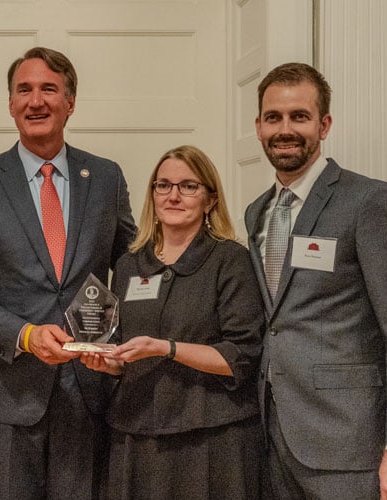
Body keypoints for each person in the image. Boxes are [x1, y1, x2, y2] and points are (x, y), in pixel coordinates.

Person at [0, 46, 137, 499]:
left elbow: (131, 268)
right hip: (7, 393)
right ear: (10, 104)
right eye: (23, 90)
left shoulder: (106, 177)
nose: (36, 101)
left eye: (49, 89)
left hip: (89, 388)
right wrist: (26, 335)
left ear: (70, 102)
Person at [245, 62, 387, 499]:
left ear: (324, 124)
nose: (284, 129)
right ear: (258, 127)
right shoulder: (257, 212)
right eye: (273, 117)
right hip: (273, 440)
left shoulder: (368, 201)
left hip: (350, 445)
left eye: (299, 116)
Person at [81, 145, 264, 499]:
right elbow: (121, 352)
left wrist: (167, 348)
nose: (174, 196)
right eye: (163, 185)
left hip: (211, 440)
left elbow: (240, 356)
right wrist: (108, 364)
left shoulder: (230, 260)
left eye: (188, 186)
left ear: (210, 199)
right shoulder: (128, 265)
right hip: (136, 437)